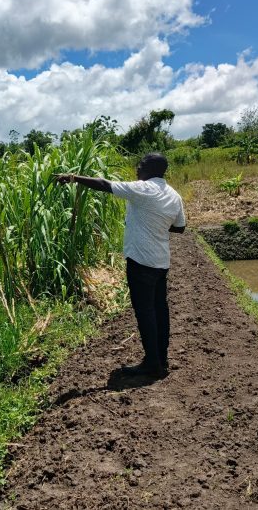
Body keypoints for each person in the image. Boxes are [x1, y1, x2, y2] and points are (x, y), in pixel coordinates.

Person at [56, 152, 186, 378]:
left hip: (141, 261)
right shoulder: (174, 195)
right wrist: (157, 225)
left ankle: (152, 363)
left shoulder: (143, 189)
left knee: (145, 312)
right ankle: (161, 358)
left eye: (142, 163)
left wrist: (74, 178)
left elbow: (105, 184)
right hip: (160, 261)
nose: (137, 167)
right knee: (159, 310)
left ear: (152, 168)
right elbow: (180, 227)